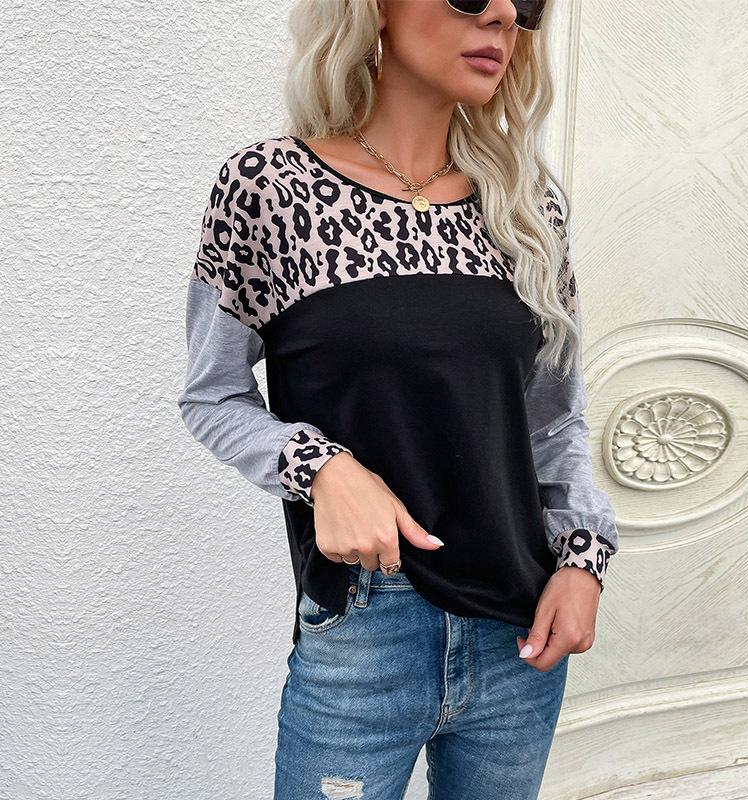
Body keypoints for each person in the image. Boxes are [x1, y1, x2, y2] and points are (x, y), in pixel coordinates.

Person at [177, 0, 619, 797]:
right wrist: (322, 467)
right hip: (364, 633)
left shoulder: (528, 207)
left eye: (525, 4)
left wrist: (583, 563)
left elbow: (555, 420)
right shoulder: (269, 188)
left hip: (520, 633)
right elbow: (213, 397)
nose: (502, 15)